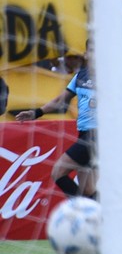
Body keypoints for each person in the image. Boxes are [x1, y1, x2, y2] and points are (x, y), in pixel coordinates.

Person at [14, 52, 97, 199]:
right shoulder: (80, 76)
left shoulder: (110, 77)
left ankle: (85, 213)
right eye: (92, 50)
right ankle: (121, 221)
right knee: (88, 189)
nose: (96, 54)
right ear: (86, 54)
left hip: (97, 135)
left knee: (58, 172)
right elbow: (60, 100)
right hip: (84, 134)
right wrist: (36, 113)